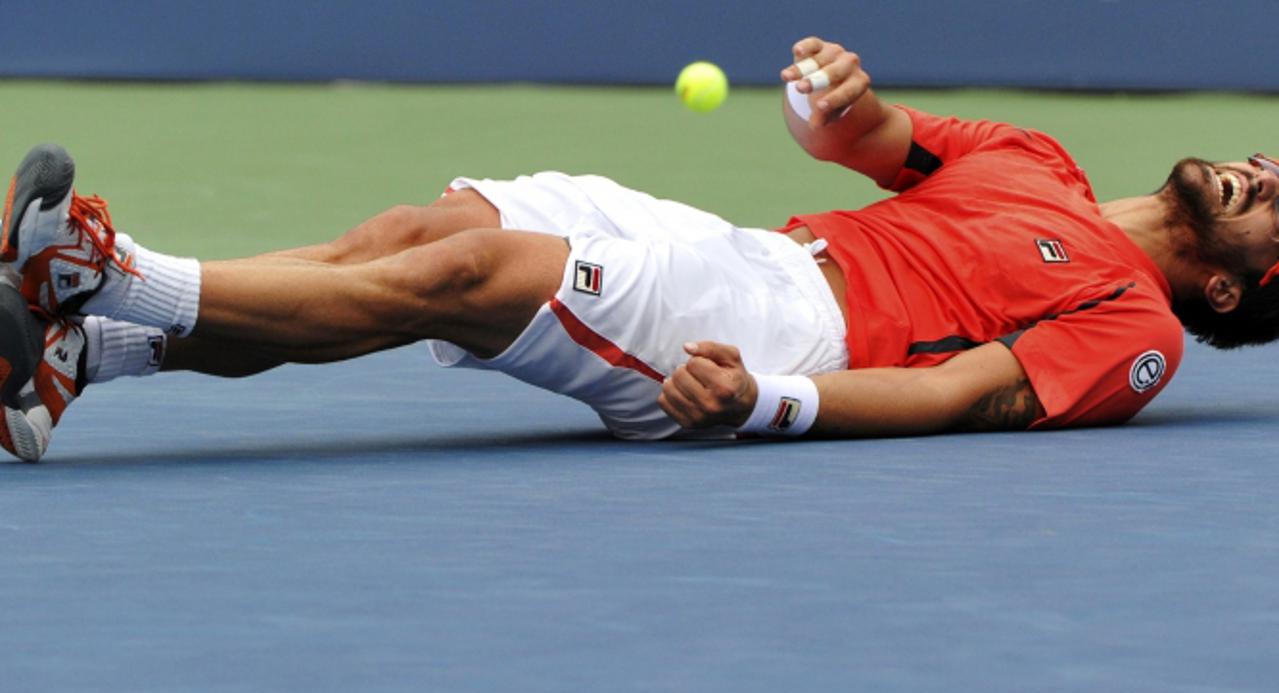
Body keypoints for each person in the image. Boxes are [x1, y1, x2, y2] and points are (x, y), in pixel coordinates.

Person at [3, 36, 1279, 462]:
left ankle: (106, 275)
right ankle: (84, 357)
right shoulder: (1035, 158)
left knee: (466, 284)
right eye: (1275, 165)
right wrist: (827, 98)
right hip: (747, 250)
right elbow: (865, 136)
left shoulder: (1140, 332)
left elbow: (960, 392)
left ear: (1237, 281)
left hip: (783, 337)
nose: (1264, 173)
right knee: (414, 239)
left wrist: (767, 403)